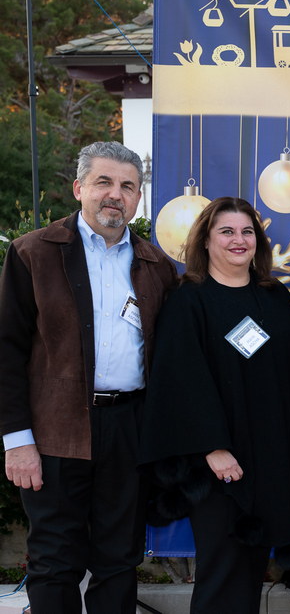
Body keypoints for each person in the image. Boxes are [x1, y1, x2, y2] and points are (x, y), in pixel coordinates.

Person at [0, 141, 177, 612]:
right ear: (79, 188)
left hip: (130, 430)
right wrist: (16, 441)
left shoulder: (156, 266)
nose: (115, 194)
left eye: (128, 186)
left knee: (119, 560)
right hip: (55, 430)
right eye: (104, 182)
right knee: (54, 561)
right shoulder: (33, 253)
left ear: (138, 198)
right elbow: (7, 351)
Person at [139, 197, 290, 612]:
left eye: (247, 231)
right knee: (221, 573)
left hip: (269, 461)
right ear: (205, 240)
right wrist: (213, 447)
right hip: (218, 465)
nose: (239, 240)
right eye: (227, 232)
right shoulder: (188, 300)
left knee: (251, 573)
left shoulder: (275, 298)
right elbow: (180, 381)